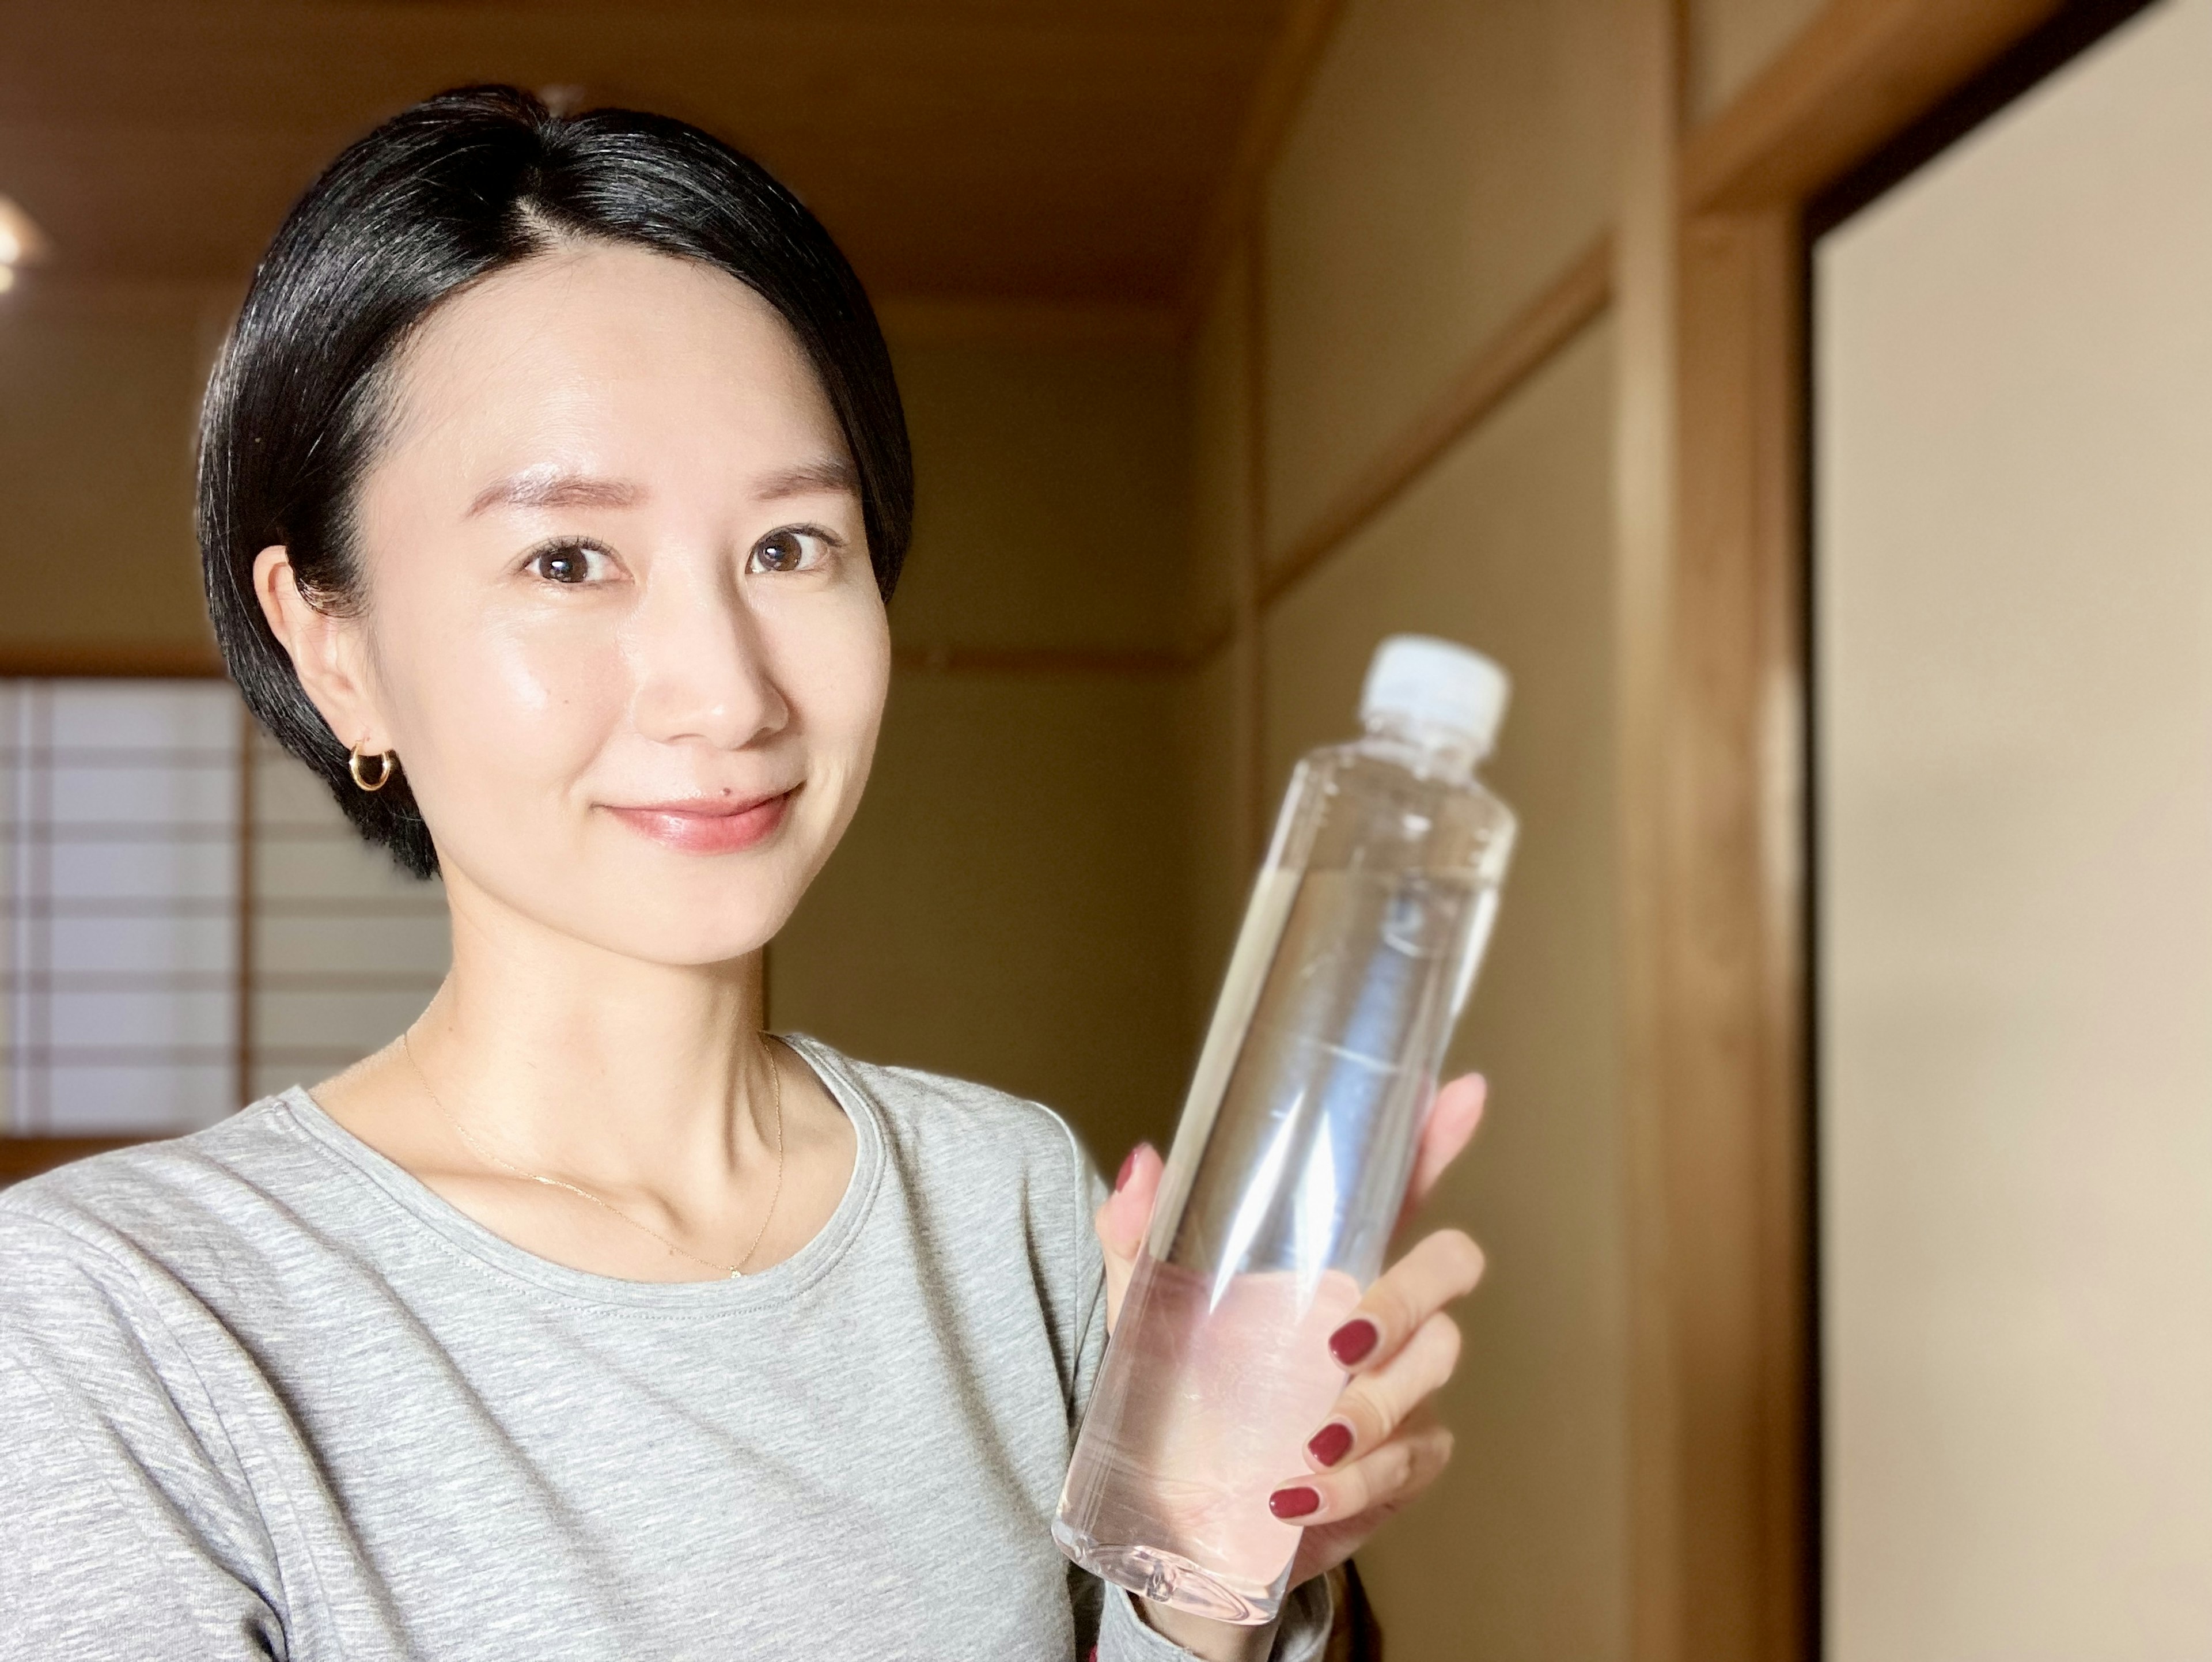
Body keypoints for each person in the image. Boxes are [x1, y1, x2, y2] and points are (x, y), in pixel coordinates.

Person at [0, 86, 1488, 1662]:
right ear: (335, 646)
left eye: (791, 547)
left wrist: (1204, 1594)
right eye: (568, 560)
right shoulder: (116, 1321)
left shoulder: (1020, 1206)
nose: (727, 691)